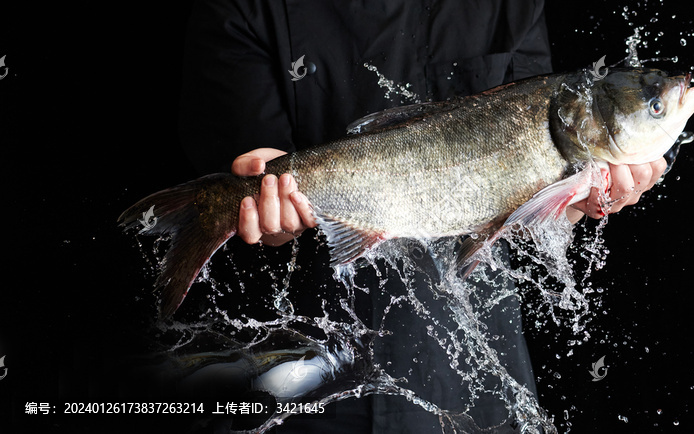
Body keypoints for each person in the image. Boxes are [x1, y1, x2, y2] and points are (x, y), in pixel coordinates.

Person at [179, 1, 667, 432]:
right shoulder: (241, 8)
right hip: (309, 370)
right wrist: (266, 206)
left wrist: (584, 199)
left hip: (473, 366)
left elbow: (540, 205)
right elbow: (256, 175)